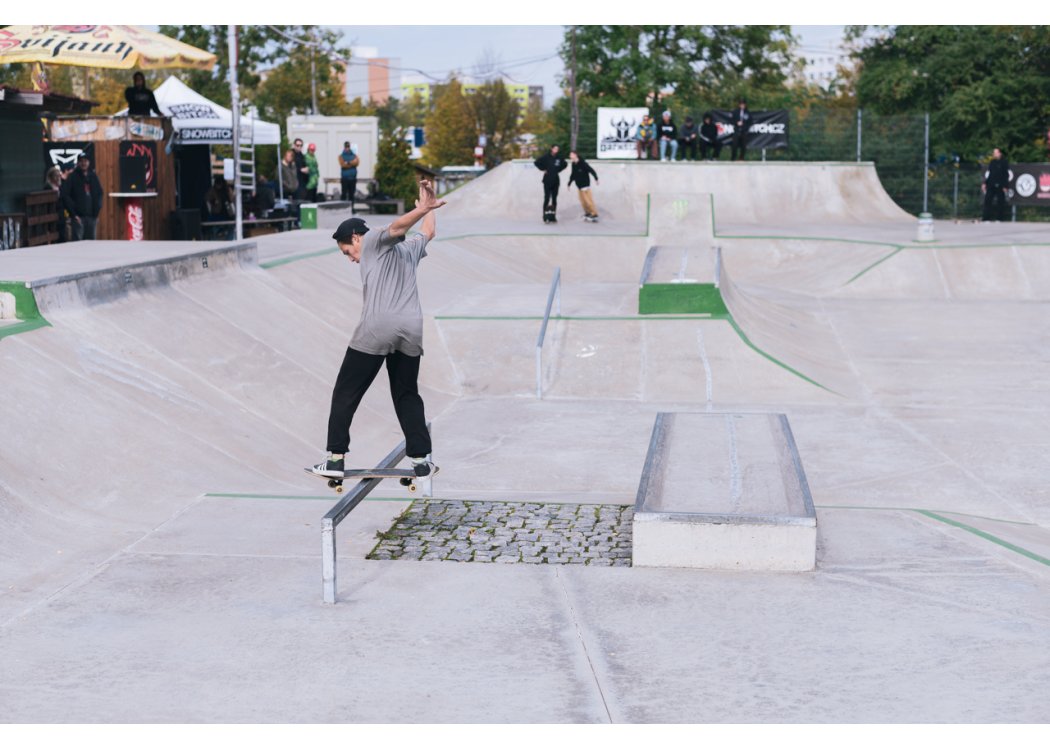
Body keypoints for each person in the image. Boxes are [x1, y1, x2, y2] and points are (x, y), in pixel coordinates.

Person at [309, 179, 447, 482]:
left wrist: (422, 207)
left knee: (346, 391)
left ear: (356, 238)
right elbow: (429, 233)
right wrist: (428, 208)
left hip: (378, 327)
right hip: (411, 329)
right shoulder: (410, 251)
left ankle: (335, 459)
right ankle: (421, 461)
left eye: (347, 251)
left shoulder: (371, 242)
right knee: (406, 394)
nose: (350, 259)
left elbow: (397, 227)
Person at [61, 153, 103, 241]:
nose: (83, 163)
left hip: (92, 217)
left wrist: (97, 211)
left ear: (89, 162)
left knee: (91, 244)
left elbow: (100, 193)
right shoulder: (72, 177)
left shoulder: (93, 176)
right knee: (77, 245)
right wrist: (73, 214)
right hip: (78, 217)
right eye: (81, 161)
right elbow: (65, 195)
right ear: (78, 163)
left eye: (85, 161)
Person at [534, 144, 568, 223]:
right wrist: (543, 169)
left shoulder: (559, 157)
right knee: (546, 198)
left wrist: (558, 170)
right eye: (555, 148)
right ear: (551, 149)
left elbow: (565, 164)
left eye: (557, 149)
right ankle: (545, 216)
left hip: (556, 180)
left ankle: (553, 216)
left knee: (554, 199)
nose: (556, 150)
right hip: (547, 180)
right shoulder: (546, 156)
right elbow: (536, 162)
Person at [567, 150, 600, 222]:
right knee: (583, 202)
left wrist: (596, 178)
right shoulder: (573, 164)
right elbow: (573, 174)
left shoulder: (583, 163)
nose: (570, 156)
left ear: (575, 155)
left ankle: (594, 214)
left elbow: (591, 170)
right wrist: (569, 183)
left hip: (585, 185)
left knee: (588, 201)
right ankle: (588, 213)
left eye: (571, 155)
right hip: (579, 186)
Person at [982, 147, 1009, 222]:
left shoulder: (1004, 162)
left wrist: (1005, 185)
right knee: (987, 200)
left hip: (1000, 184)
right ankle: (986, 218)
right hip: (991, 184)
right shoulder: (992, 162)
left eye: (995, 153)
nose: (994, 154)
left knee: (1000, 202)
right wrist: (985, 183)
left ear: (1000, 153)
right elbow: (989, 174)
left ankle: (999, 218)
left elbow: (1005, 175)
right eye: (993, 153)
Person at [203, 175, 235, 239]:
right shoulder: (212, 190)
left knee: (231, 226)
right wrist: (213, 201)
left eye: (220, 185)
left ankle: (229, 240)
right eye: (217, 185)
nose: (218, 186)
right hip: (217, 213)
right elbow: (206, 198)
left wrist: (230, 194)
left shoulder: (227, 189)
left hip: (227, 213)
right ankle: (214, 239)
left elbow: (232, 199)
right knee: (214, 228)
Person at [44, 166, 68, 243]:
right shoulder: (47, 188)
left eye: (59, 176)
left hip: (61, 216)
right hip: (52, 217)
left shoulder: (61, 188)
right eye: (55, 176)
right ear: (50, 177)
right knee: (54, 239)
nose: (58, 178)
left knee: (63, 238)